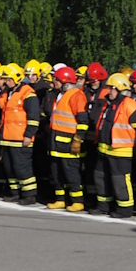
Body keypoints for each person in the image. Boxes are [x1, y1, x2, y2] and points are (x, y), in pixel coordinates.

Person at [93, 74, 136, 218]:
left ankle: (125, 209)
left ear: (121, 89)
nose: (109, 91)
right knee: (100, 177)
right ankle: (103, 206)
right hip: (104, 148)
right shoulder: (108, 103)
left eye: (112, 89)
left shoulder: (131, 106)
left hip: (121, 150)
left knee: (120, 180)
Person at [0, 64, 41, 205]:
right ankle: (14, 192)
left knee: (22, 167)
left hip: (21, 138)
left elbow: (34, 117)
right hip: (8, 138)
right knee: (10, 167)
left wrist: (29, 135)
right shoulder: (9, 93)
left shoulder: (28, 94)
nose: (6, 82)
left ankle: (29, 195)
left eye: (9, 79)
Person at [47, 66, 90, 212]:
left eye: (57, 79)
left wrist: (78, 139)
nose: (54, 82)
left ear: (65, 81)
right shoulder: (61, 94)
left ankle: (77, 201)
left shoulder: (77, 95)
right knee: (56, 173)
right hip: (56, 141)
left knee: (71, 173)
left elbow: (83, 121)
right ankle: (60, 199)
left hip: (68, 142)